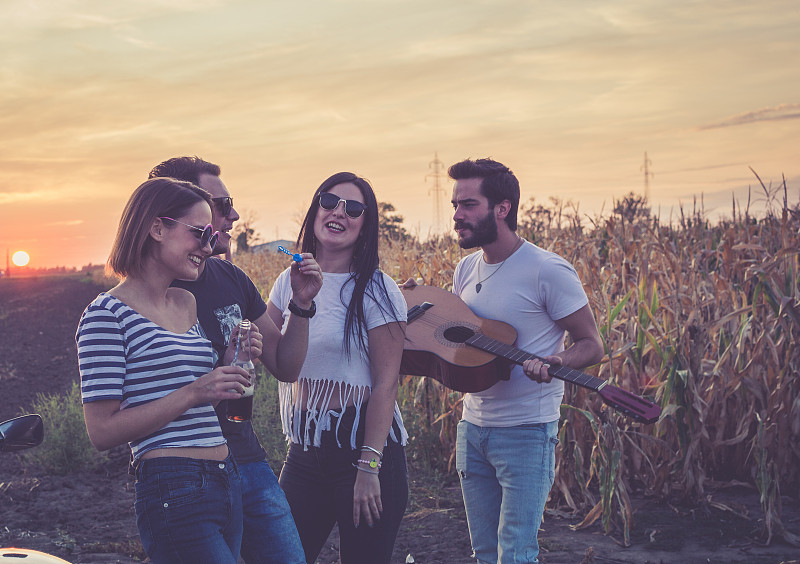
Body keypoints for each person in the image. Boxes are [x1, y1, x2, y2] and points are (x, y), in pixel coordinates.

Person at [147, 156, 320, 564]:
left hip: (246, 459)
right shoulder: (145, 296)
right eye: (222, 206)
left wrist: (302, 303)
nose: (233, 216)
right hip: (182, 472)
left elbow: (286, 366)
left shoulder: (232, 278)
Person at [77, 178, 253, 563]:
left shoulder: (185, 303)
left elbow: (198, 394)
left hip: (226, 477)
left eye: (211, 235)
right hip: (173, 486)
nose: (208, 247)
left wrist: (232, 361)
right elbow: (102, 431)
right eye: (198, 233)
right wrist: (195, 392)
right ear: (157, 228)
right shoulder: (106, 316)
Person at [449, 158, 604, 564]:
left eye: (467, 204)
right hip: (472, 430)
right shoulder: (465, 269)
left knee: (515, 553)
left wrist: (555, 360)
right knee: (484, 554)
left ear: (502, 208)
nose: (457, 216)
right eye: (455, 206)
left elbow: (592, 344)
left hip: (526, 432)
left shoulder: (546, 269)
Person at [266, 172, 409, 564]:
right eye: (329, 201)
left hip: (363, 448)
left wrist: (368, 467)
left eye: (354, 208)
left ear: (366, 226)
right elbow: (268, 350)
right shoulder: (286, 281)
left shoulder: (378, 289)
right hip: (307, 449)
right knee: (282, 555)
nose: (338, 212)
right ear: (315, 210)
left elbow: (386, 383)